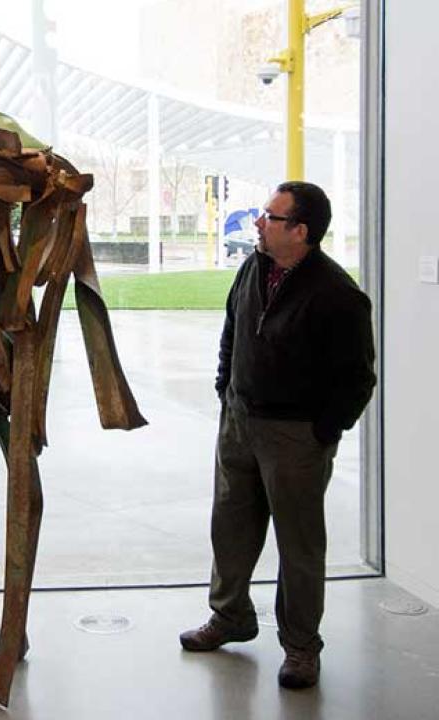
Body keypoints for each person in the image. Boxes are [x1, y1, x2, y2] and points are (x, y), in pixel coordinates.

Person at [179, 181, 376, 689]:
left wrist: (320, 432)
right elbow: (232, 330)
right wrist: (227, 388)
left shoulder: (337, 294)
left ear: (302, 231)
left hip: (295, 438)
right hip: (240, 422)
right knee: (230, 527)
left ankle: (301, 647)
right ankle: (230, 617)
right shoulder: (252, 268)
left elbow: (358, 380)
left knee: (299, 545)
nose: (259, 223)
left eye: (271, 216)